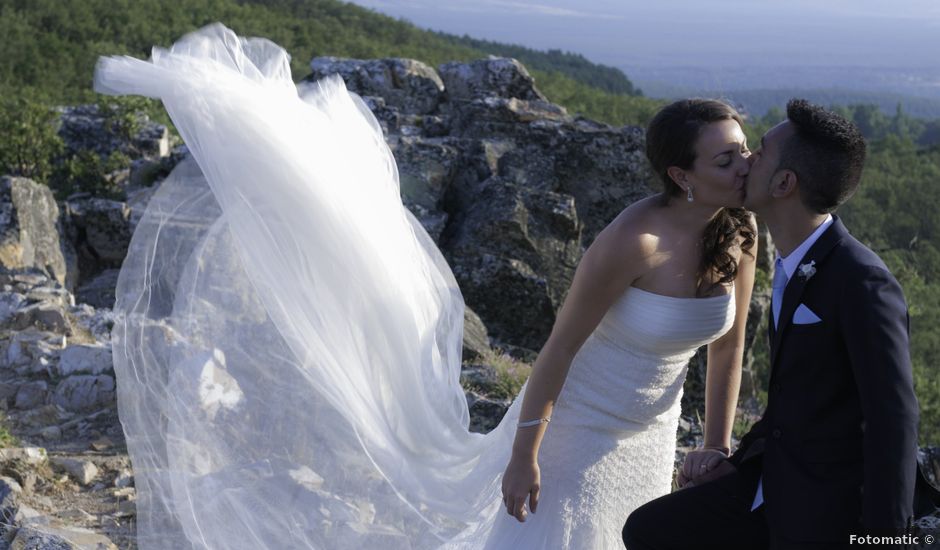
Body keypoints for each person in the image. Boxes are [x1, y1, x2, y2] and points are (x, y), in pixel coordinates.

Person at [96, 24, 755, 550]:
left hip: (654, 427)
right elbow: (556, 352)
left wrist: (715, 447)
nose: (745, 165)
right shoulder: (631, 243)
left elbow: (729, 347)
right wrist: (524, 456)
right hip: (577, 428)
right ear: (681, 174)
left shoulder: (740, 233)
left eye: (745, 150)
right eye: (727, 158)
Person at [622, 99, 920, 549]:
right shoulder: (786, 259)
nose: (747, 161)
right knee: (649, 530)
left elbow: (893, 419)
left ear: (784, 183)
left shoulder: (861, 281)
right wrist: (738, 462)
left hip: (826, 506)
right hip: (770, 479)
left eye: (758, 152)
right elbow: (793, 399)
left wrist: (882, 541)